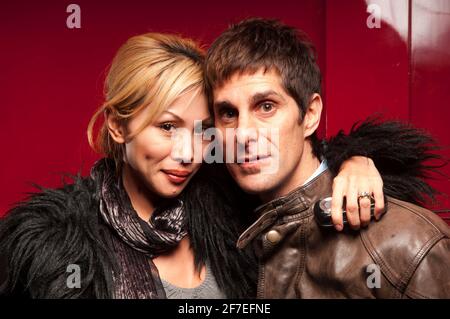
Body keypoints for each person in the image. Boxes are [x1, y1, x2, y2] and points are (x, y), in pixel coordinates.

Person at [0, 32, 420, 299]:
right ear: (117, 126)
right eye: (167, 126)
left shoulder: (230, 206)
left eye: (203, 130)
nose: (189, 153)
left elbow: (292, 163)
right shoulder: (58, 247)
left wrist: (355, 161)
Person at [204, 18, 450, 298]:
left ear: (309, 115)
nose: (243, 134)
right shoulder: (219, 234)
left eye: (266, 106)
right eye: (228, 113)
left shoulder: (409, 245)